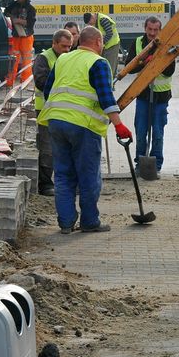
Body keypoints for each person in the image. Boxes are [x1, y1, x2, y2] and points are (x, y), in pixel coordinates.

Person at [40, 26, 133, 234]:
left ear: (78, 41)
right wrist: (119, 125)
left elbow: (47, 90)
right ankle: (89, 221)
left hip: (55, 122)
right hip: (82, 126)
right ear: (99, 43)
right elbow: (105, 96)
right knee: (88, 174)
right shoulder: (98, 63)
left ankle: (65, 222)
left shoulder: (63, 59)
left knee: (63, 175)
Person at [123, 16, 175, 177]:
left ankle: (156, 165)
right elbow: (129, 67)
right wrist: (144, 61)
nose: (152, 33)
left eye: (155, 30)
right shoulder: (138, 43)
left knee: (158, 133)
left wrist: (157, 63)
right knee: (140, 131)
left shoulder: (167, 44)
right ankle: (140, 163)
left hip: (161, 97)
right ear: (145, 28)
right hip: (144, 96)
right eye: (150, 29)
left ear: (160, 30)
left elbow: (169, 71)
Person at [32, 29, 73, 196]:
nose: (66, 50)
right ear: (54, 43)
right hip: (46, 110)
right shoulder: (43, 58)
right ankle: (46, 184)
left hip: (65, 110)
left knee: (65, 148)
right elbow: (41, 81)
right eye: (63, 46)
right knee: (47, 149)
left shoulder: (70, 58)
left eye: (69, 47)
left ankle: (65, 182)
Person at [4, 0, 36, 86]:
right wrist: (10, 15)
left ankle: (25, 81)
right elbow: (6, 11)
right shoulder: (14, 5)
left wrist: (19, 21)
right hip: (16, 36)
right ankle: (10, 81)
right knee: (13, 59)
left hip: (26, 37)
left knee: (26, 60)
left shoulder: (31, 9)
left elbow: (31, 23)